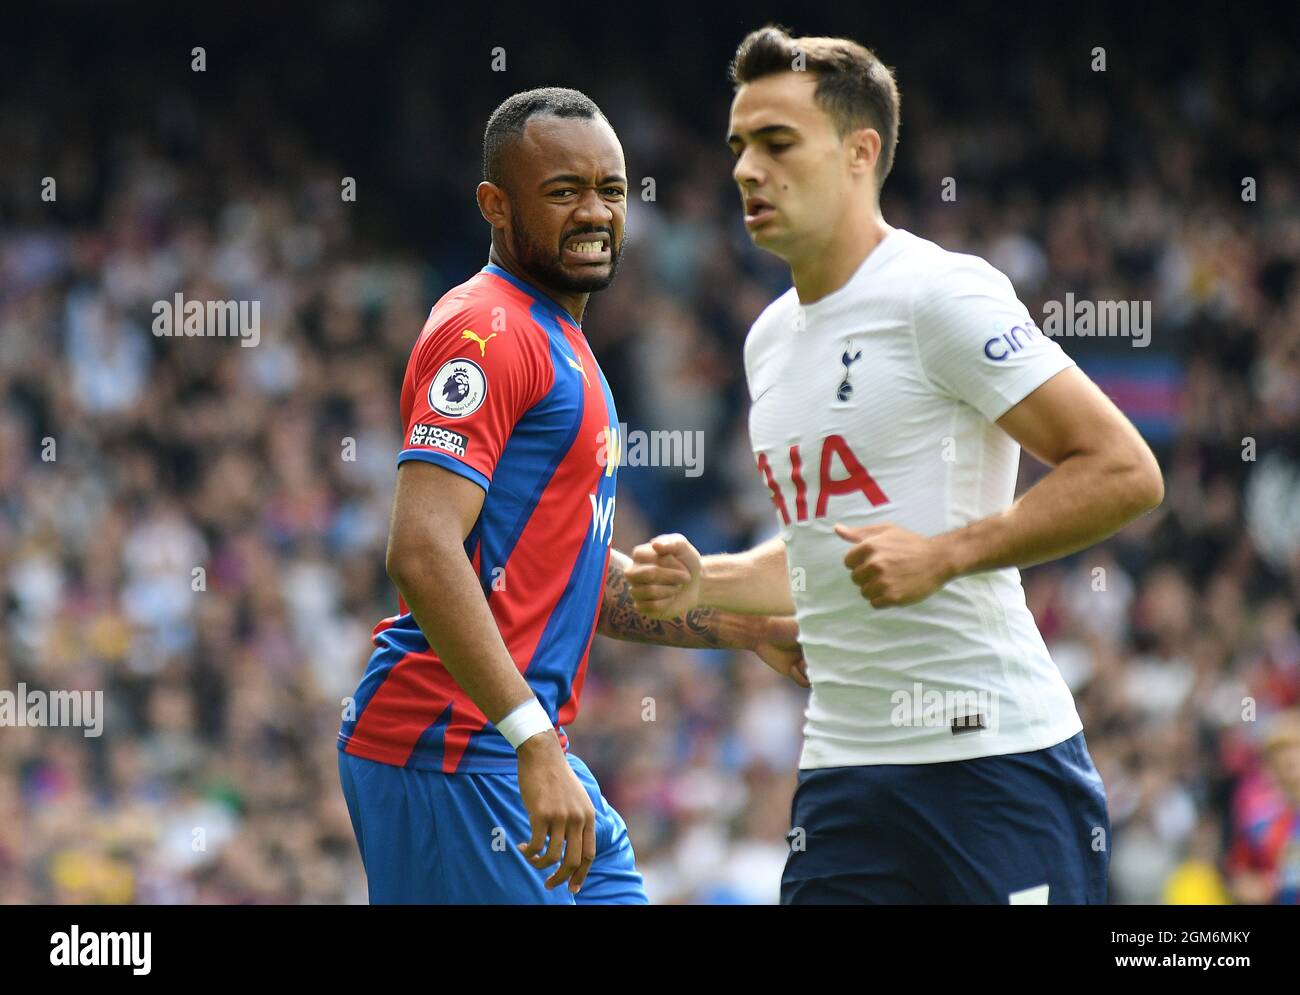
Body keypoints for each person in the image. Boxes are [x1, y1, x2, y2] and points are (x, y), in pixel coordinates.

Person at [626, 26, 1164, 904]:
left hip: (994, 764)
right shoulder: (767, 342)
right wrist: (706, 580)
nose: (745, 170)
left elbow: (1123, 469)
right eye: (737, 147)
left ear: (858, 152)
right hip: (845, 779)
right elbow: (822, 553)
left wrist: (947, 553)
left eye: (776, 142)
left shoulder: (938, 293)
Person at [336, 86, 806, 904]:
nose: (595, 212)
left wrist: (748, 626)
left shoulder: (565, 345)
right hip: (450, 749)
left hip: (518, 747)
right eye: (563, 192)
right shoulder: (486, 331)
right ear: (495, 204)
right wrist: (530, 741)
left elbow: (572, 590)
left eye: (611, 190)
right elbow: (419, 548)